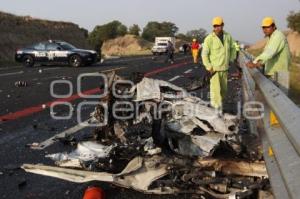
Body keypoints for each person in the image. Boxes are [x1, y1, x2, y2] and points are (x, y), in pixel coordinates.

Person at [246, 17, 291, 94]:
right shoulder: (271, 37)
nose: (265, 29)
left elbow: (269, 53)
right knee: (273, 98)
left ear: (273, 27)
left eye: (267, 27)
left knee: (279, 100)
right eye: (263, 27)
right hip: (272, 72)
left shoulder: (278, 36)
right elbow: (267, 53)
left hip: (279, 74)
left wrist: (255, 62)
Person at [201, 16, 236, 111]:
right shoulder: (209, 38)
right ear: (213, 26)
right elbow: (204, 54)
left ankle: (219, 107)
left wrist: (231, 59)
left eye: (219, 25)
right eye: (215, 26)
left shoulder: (228, 36)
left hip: (225, 69)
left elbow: (233, 48)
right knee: (215, 91)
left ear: (223, 25)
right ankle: (216, 111)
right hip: (214, 70)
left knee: (223, 91)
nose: (217, 27)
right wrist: (209, 67)